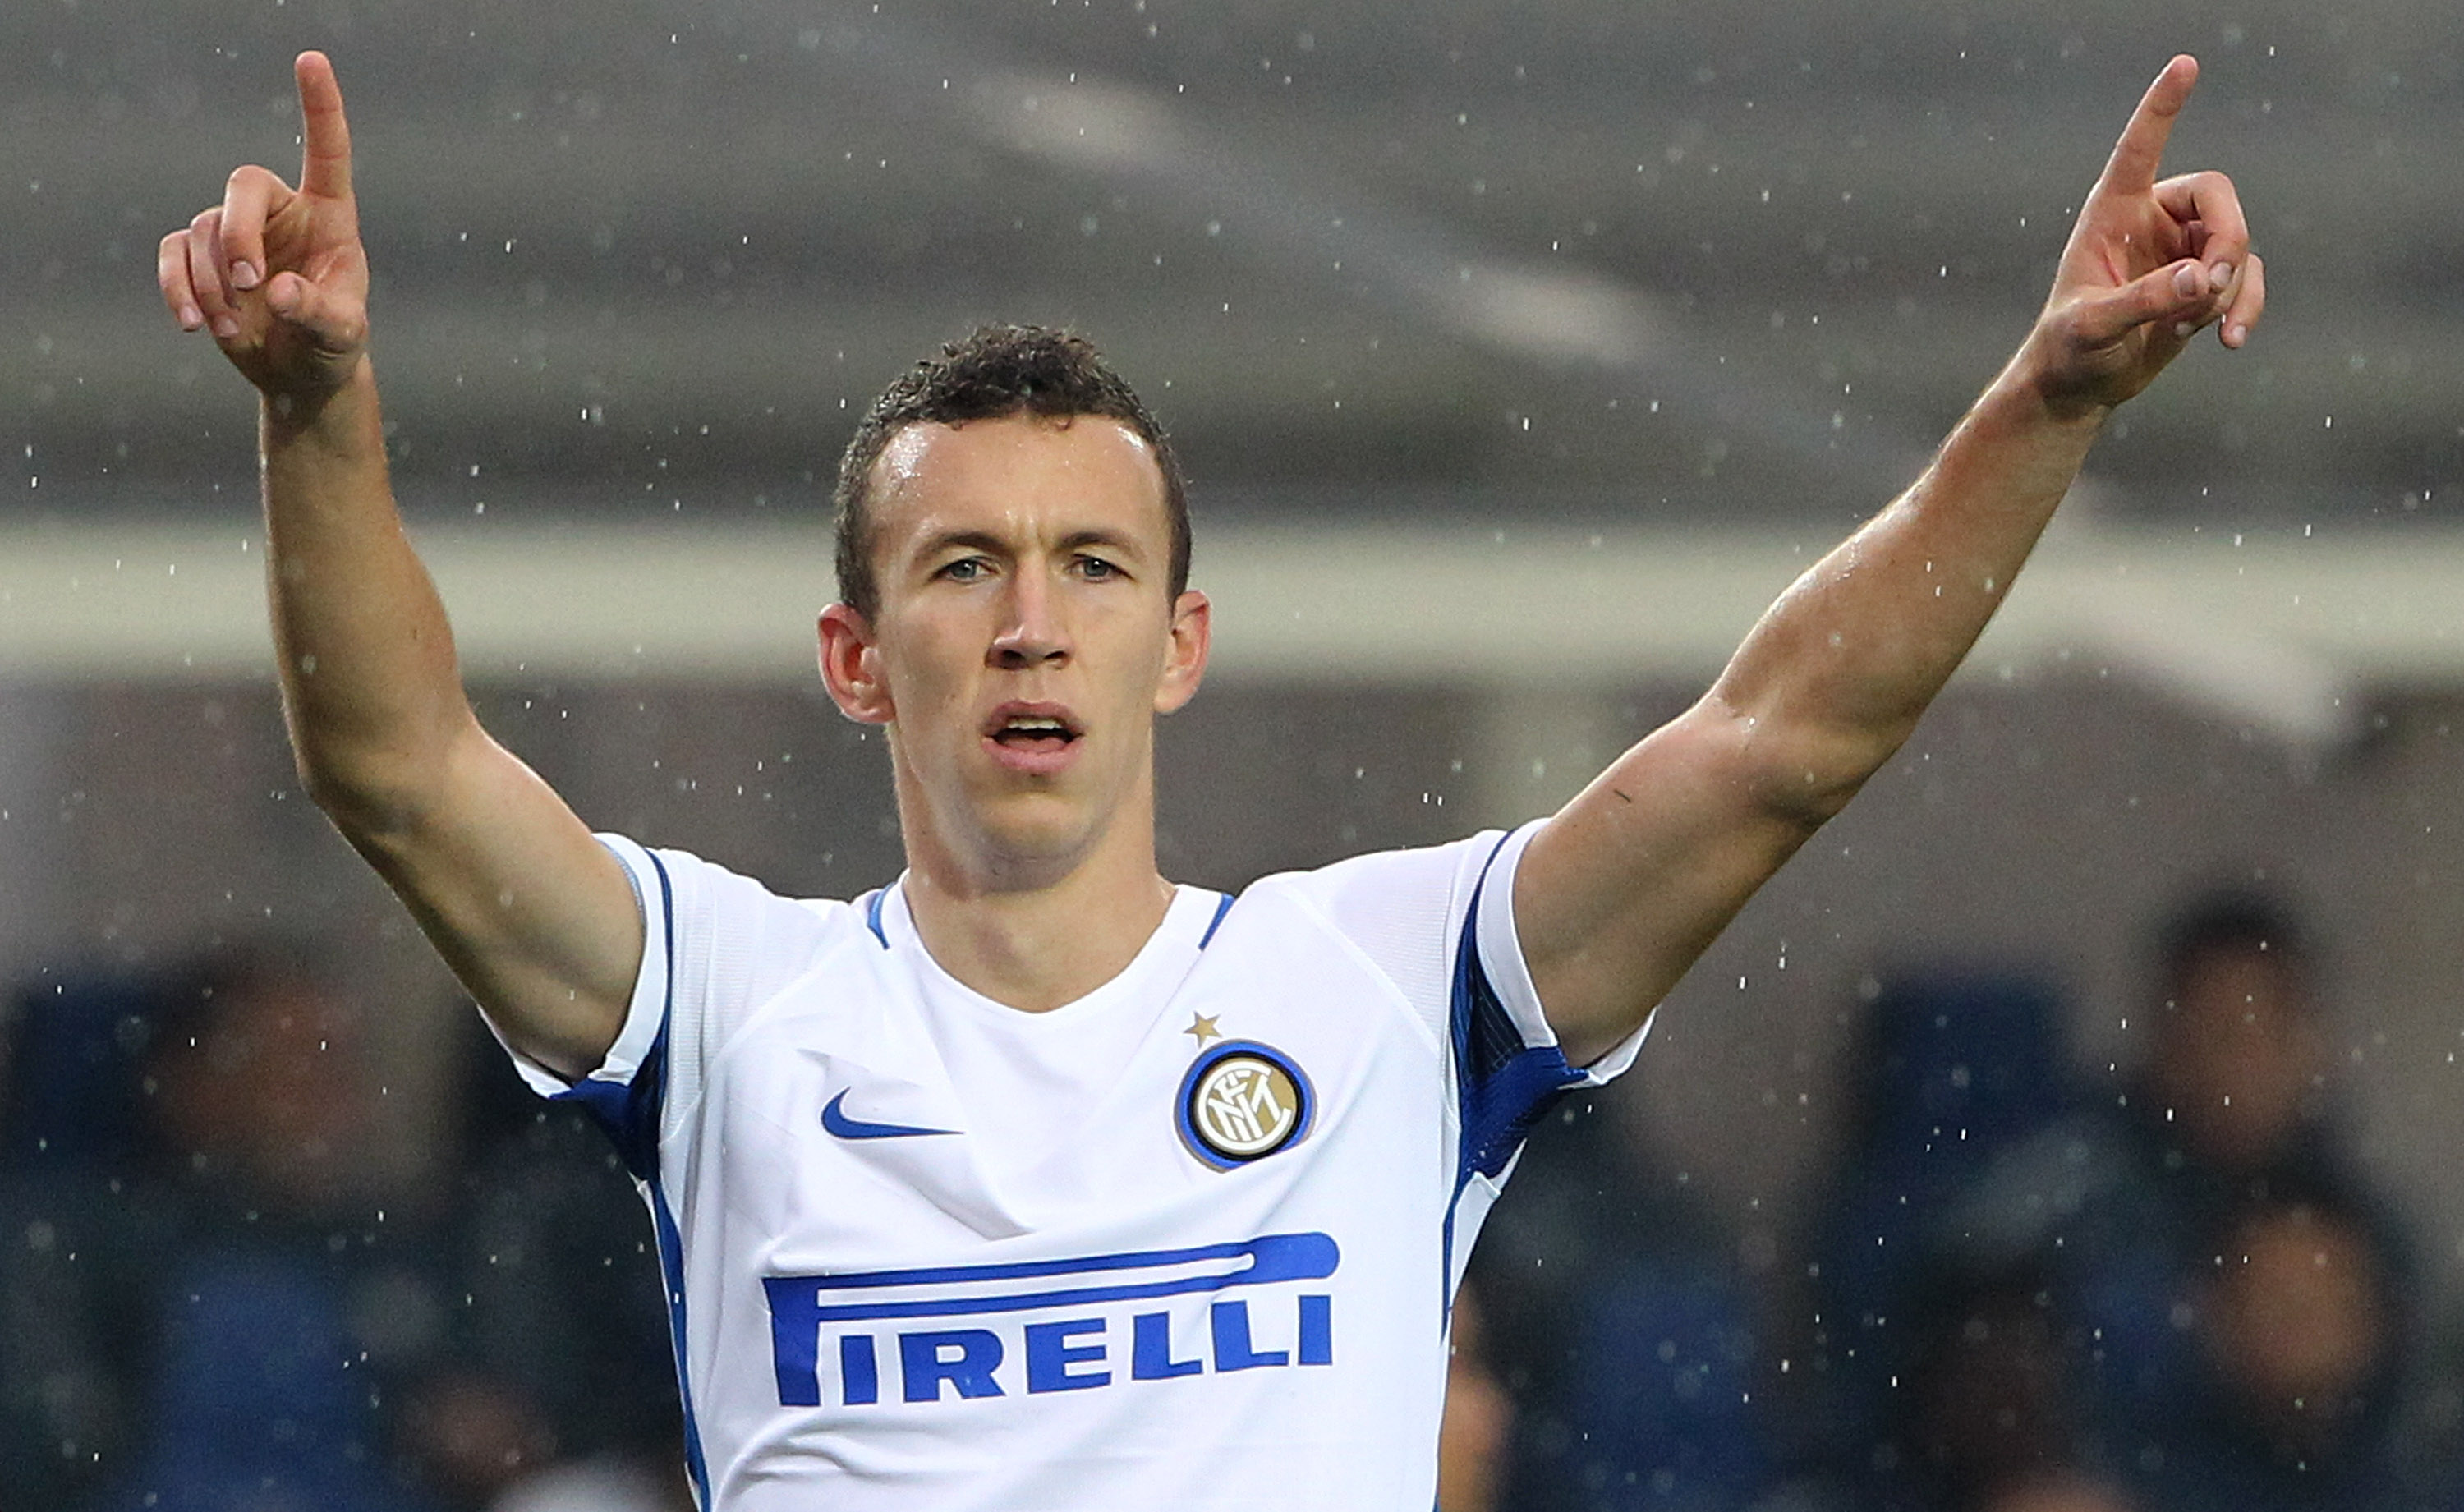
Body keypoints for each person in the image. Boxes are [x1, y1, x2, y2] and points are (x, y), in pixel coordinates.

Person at [154, 48, 2263, 1512]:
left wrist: (2048, 398)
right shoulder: (731, 1007)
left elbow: (1781, 737)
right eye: (960, 569)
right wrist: (318, 409)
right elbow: (399, 767)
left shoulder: (1380, 986)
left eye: (1091, 568)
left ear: (1179, 643)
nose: (1029, 623)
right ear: (856, 662)